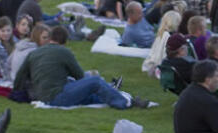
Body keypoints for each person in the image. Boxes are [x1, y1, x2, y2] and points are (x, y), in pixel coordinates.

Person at [14, 26, 150, 110]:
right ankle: (125, 103)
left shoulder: (34, 53)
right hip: (55, 97)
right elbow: (80, 76)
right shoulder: (64, 52)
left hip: (43, 95)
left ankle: (117, 95)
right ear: (65, 42)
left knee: (89, 94)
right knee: (95, 81)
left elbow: (19, 77)